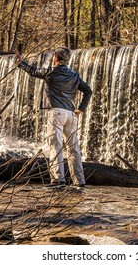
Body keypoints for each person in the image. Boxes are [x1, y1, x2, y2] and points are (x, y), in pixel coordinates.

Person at [15, 47, 92, 191]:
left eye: (54, 56)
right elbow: (88, 90)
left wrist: (20, 61)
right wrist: (81, 109)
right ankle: (79, 181)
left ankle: (58, 180)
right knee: (73, 149)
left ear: (56, 57)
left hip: (56, 113)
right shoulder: (74, 76)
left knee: (55, 146)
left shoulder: (50, 72)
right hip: (71, 114)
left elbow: (32, 71)